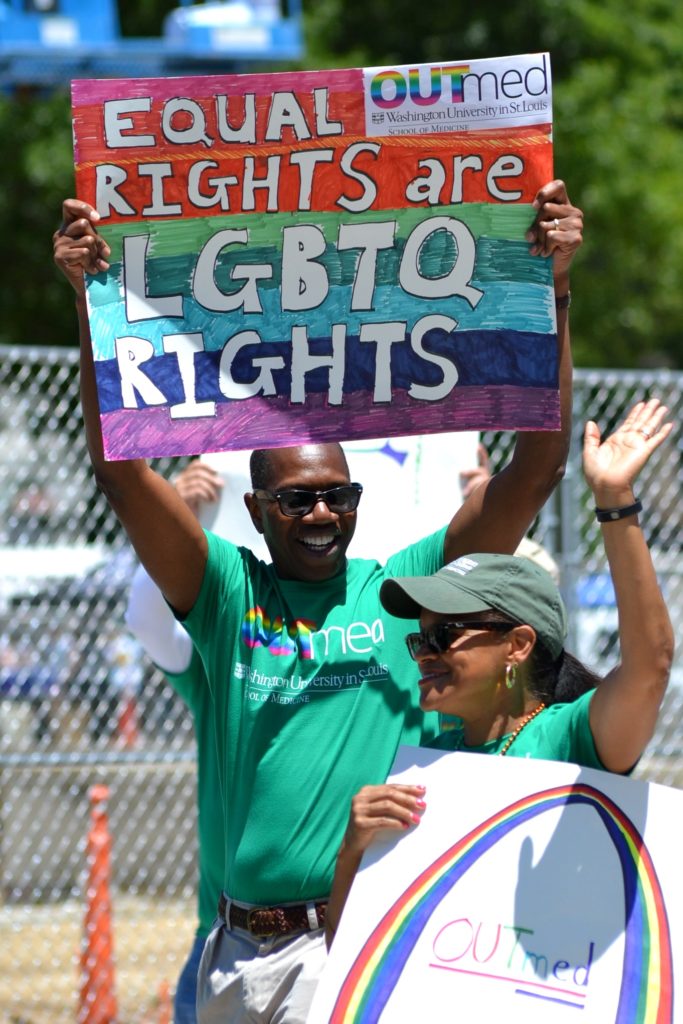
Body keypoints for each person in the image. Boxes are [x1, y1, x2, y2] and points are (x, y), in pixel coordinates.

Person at [54, 179, 582, 1024]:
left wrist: (553, 289)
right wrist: (90, 302)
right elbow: (119, 472)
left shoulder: (406, 590)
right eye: (298, 500)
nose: (323, 513)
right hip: (228, 957)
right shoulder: (226, 591)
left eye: (340, 494)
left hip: (355, 941)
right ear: (258, 511)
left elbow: (534, 472)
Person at [325, 398, 675, 945]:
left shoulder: (571, 738)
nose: (423, 654)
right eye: (420, 638)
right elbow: (349, 950)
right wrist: (352, 851)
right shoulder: (426, 765)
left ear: (517, 646)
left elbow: (650, 667)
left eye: (444, 636)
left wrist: (613, 501)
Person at [125, 461, 224, 1024]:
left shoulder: (359, 654)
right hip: (220, 939)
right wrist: (175, 513)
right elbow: (146, 620)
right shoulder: (220, 663)